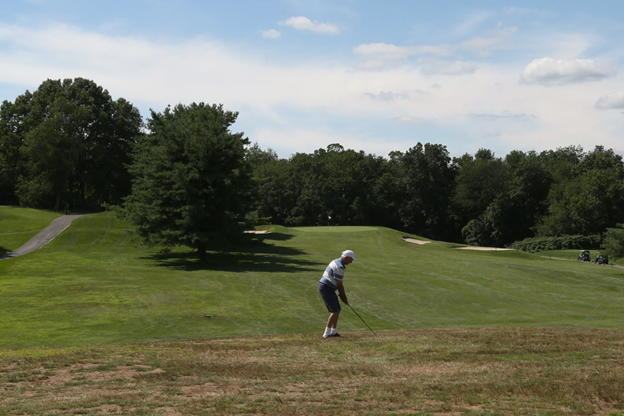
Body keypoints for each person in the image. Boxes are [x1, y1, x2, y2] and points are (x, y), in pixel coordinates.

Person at [318, 250, 357, 338]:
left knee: (337, 309)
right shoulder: (339, 266)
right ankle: (326, 334)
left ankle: (334, 332)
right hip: (326, 288)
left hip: (327, 287)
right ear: (346, 257)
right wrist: (344, 297)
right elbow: (340, 284)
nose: (351, 262)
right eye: (351, 260)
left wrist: (343, 297)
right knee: (335, 311)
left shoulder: (336, 261)